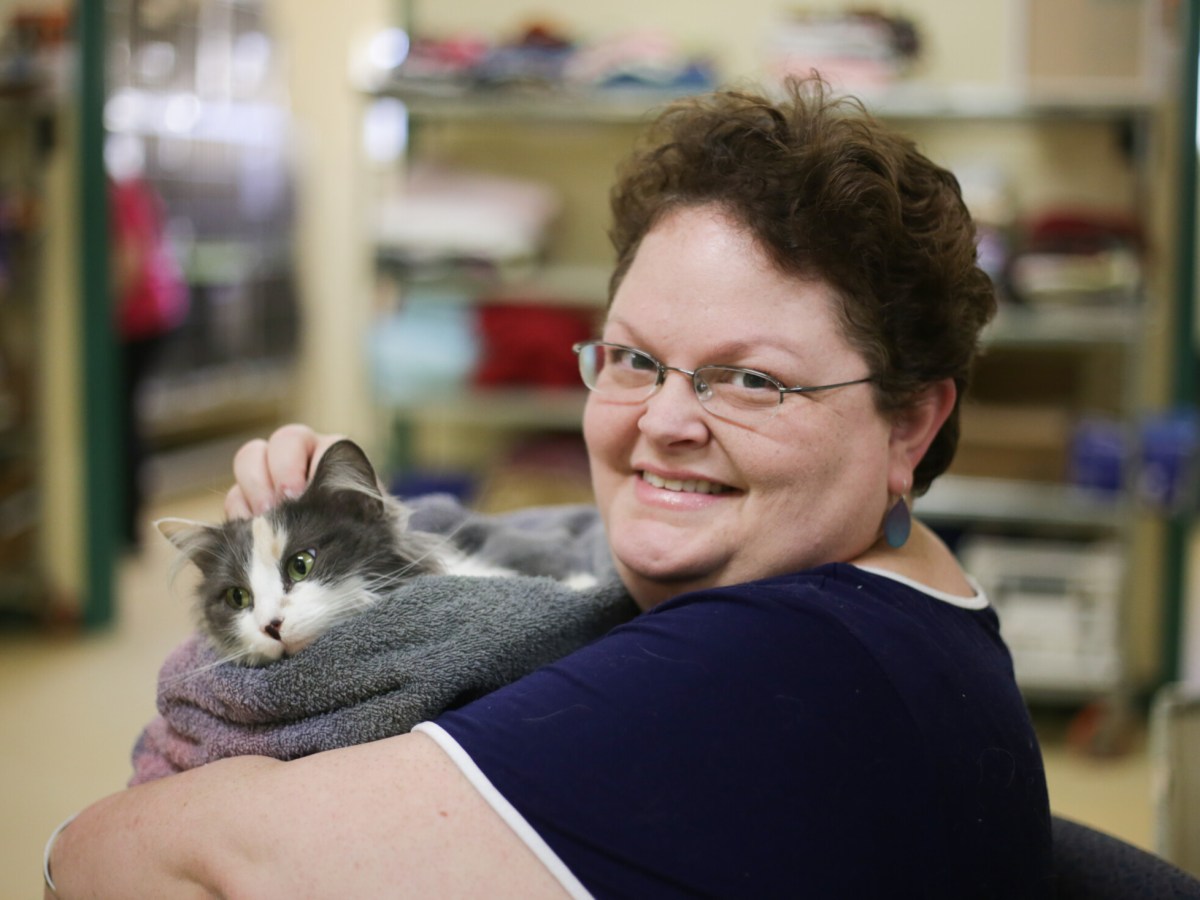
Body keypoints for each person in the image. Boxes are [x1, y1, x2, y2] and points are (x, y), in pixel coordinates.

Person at [45, 79, 1052, 898]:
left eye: (751, 379)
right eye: (633, 359)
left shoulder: (775, 667)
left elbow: (110, 856)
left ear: (910, 422)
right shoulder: (897, 598)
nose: (663, 421)